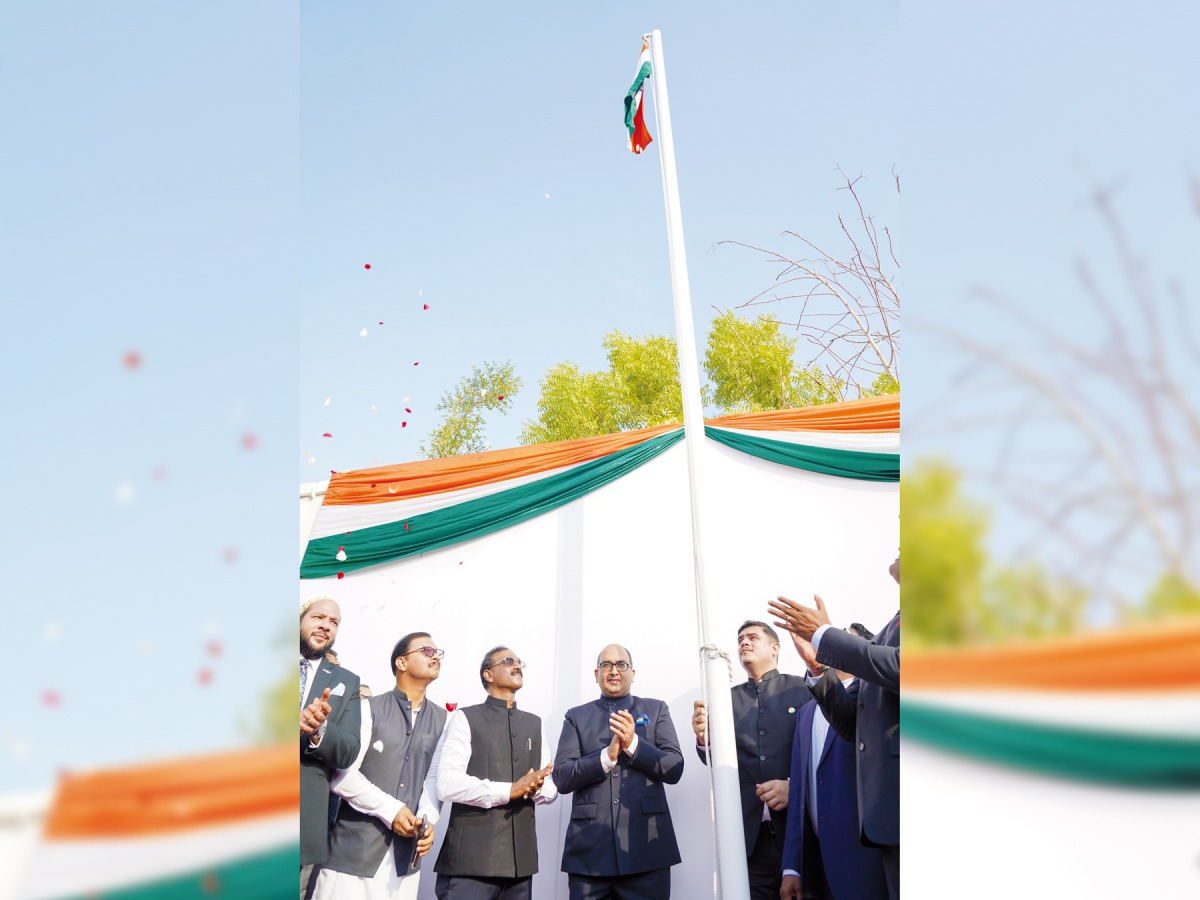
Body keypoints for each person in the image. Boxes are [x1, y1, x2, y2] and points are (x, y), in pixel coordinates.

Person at [768, 555, 900, 900]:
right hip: (866, 841)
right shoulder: (890, 628)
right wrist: (816, 668)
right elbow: (850, 723)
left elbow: (903, 667)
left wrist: (824, 634)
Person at [312, 632, 450, 900]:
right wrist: (393, 809)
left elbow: (433, 779)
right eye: (427, 651)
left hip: (404, 863)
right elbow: (343, 776)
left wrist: (428, 819)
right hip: (353, 854)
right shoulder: (368, 709)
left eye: (438, 653)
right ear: (402, 663)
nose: (436, 657)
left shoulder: (444, 718)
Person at [553, 644, 684, 900]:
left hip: (647, 853)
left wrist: (634, 745)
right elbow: (562, 777)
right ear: (596, 674)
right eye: (606, 665)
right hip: (589, 856)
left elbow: (674, 768)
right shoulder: (576, 717)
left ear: (632, 673)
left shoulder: (656, 709)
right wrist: (606, 757)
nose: (614, 671)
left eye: (621, 665)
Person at [690, 621, 809, 900]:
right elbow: (715, 764)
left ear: (775, 647)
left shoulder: (802, 689)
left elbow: (819, 754)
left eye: (753, 637)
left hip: (800, 834)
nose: (744, 642)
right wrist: (703, 739)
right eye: (740, 638)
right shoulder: (724, 700)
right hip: (747, 840)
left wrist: (794, 787)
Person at [433, 646, 556, 899]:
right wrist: (509, 790)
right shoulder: (465, 718)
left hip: (521, 865)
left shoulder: (535, 723)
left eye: (520, 661)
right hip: (470, 862)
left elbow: (549, 785)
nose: (517, 665)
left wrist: (537, 788)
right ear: (488, 675)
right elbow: (446, 783)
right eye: (508, 660)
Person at [779, 624, 888, 900]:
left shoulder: (877, 697)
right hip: (819, 862)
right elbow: (800, 791)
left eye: (843, 638)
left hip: (869, 858)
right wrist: (792, 866)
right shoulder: (805, 712)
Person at [300, 596, 362, 898]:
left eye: (334, 622)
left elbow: (349, 748)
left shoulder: (345, 681)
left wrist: (319, 730)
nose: (326, 625)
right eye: (318, 617)